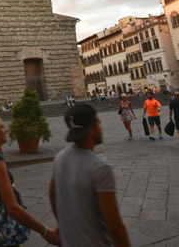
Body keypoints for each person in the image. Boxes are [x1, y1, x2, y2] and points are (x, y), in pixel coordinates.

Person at [0, 114, 59, 245]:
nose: (6, 130)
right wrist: (45, 231)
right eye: (2, 127)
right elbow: (13, 208)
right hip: (3, 236)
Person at [49, 104, 131, 247]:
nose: (101, 127)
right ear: (91, 129)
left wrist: (63, 225)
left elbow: (51, 195)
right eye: (98, 123)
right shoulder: (100, 168)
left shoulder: (59, 158)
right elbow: (115, 228)